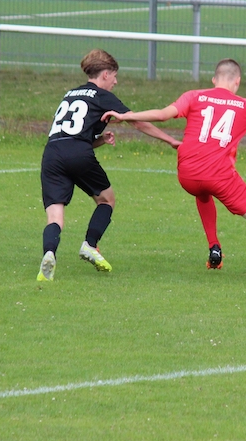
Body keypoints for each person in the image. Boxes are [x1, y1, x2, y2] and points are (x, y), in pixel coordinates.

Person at [102, 58, 246, 287]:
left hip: (187, 174)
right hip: (219, 176)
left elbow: (162, 114)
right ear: (237, 81)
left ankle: (214, 247)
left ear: (214, 80)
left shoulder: (194, 96)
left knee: (202, 193)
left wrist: (126, 116)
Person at [38, 49, 180, 281]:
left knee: (55, 216)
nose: (116, 81)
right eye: (114, 76)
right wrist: (170, 140)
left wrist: (100, 140)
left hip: (52, 153)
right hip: (77, 152)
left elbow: (68, 136)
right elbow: (137, 122)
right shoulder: (102, 96)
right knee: (107, 200)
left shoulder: (70, 94)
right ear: (105, 74)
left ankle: (49, 254)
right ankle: (90, 245)